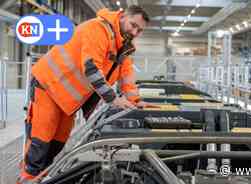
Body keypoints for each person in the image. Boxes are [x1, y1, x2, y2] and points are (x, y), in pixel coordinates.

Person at [17, 6, 155, 183]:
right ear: (122, 16)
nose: (135, 32)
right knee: (41, 140)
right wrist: (113, 99)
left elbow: (126, 74)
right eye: (133, 25)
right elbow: (91, 68)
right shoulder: (97, 29)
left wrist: (135, 100)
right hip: (49, 85)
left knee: (58, 142)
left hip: (67, 98)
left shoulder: (124, 45)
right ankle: (27, 178)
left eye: (140, 30)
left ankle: (41, 176)